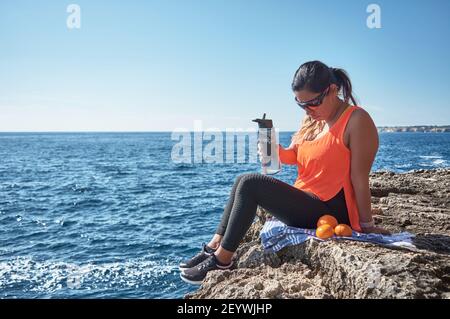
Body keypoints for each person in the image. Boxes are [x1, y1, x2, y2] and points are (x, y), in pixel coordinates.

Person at [180, 60, 390, 285]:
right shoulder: (313, 120)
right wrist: (274, 151)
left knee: (251, 183)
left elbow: (359, 178)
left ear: (332, 90)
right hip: (307, 199)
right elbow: (296, 156)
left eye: (313, 103)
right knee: (242, 179)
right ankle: (214, 246)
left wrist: (367, 225)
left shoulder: (357, 120)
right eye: (301, 105)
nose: (308, 110)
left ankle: (223, 260)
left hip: (333, 209)